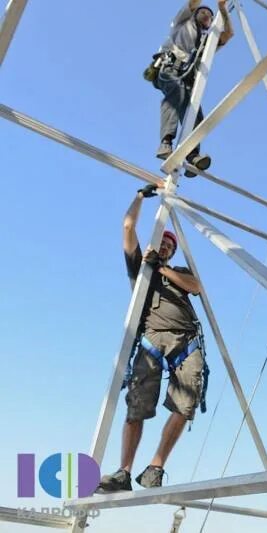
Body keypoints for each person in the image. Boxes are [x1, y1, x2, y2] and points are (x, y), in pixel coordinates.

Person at [96, 184, 205, 492]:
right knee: (137, 406)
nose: (166, 246)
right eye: (162, 243)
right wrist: (141, 197)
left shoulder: (177, 272)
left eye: (170, 244)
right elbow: (128, 225)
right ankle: (124, 472)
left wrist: (164, 268)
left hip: (185, 340)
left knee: (186, 406)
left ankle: (155, 467)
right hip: (152, 340)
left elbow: (195, 286)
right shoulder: (140, 269)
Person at [154, 1, 234, 177]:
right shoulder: (183, 22)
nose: (207, 15)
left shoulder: (207, 41)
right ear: (194, 13)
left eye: (210, 15)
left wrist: (223, 10)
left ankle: (192, 155)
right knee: (176, 93)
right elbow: (193, 3)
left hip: (189, 80)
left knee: (195, 114)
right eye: (203, 12)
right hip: (170, 70)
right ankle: (166, 142)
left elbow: (228, 34)